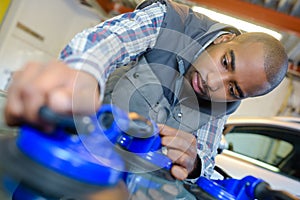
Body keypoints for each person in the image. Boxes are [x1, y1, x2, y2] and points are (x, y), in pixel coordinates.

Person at [4, 0, 288, 183]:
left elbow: (205, 155)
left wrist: (194, 162)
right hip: (69, 155)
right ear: (226, 39)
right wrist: (80, 76)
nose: (216, 84)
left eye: (234, 88)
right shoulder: (170, 20)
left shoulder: (224, 103)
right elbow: (105, 44)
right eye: (226, 62)